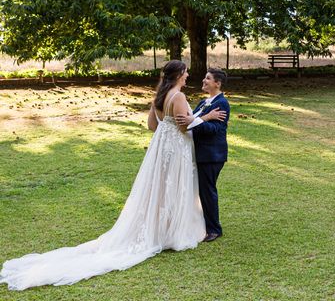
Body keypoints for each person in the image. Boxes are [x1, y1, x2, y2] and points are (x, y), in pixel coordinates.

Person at [0, 61, 223, 291]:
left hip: (161, 148)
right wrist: (205, 118)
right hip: (176, 150)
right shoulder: (178, 97)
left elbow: (152, 126)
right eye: (186, 73)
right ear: (178, 75)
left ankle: (160, 227)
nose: (188, 76)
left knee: (159, 187)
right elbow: (184, 127)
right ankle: (170, 231)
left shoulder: (159, 96)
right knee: (173, 187)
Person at [176, 68, 230, 242]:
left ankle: (214, 229)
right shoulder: (203, 103)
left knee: (207, 191)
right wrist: (202, 118)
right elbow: (192, 120)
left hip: (212, 154)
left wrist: (196, 121)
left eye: (208, 78)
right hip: (200, 153)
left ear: (217, 83)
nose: (204, 81)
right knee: (201, 191)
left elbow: (215, 129)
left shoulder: (222, 103)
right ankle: (204, 224)